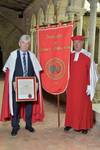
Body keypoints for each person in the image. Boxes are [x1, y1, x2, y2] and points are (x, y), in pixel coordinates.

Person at [0, 34, 44, 136]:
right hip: (16, 86)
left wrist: (36, 83)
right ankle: (15, 126)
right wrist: (12, 83)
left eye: (27, 44)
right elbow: (8, 71)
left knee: (29, 106)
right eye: (23, 43)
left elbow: (36, 71)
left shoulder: (32, 56)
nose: (25, 45)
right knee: (15, 107)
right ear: (19, 43)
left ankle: (28, 125)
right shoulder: (13, 55)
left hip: (29, 87)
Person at [64, 35, 98, 134]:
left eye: (78, 42)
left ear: (82, 43)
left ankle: (84, 126)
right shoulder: (69, 55)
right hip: (71, 87)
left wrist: (90, 86)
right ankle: (69, 123)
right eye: (74, 43)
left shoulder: (88, 56)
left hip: (83, 87)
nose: (76, 44)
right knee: (71, 105)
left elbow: (93, 73)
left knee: (83, 106)